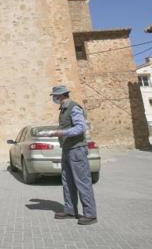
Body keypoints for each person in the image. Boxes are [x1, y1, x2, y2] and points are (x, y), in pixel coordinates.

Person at [39, 85, 97, 225]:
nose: (54, 98)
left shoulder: (74, 108)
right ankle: (70, 210)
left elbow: (80, 127)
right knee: (67, 181)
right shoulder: (64, 109)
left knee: (82, 182)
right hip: (67, 149)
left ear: (61, 96)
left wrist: (61, 133)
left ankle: (90, 214)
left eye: (55, 96)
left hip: (77, 149)